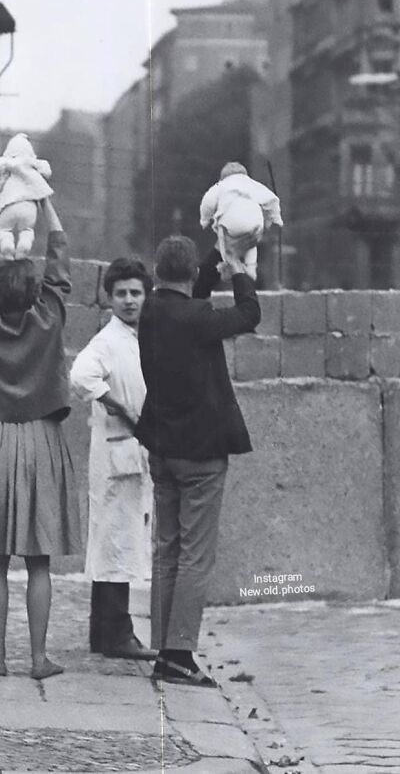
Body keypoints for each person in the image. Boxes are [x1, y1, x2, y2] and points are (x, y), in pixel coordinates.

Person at [0, 184, 81, 681]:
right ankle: (39, 658)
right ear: (36, 290)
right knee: (39, 561)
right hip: (40, 440)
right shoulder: (49, 318)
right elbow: (60, 260)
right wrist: (45, 199)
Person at [135, 233, 260, 686]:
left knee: (166, 551)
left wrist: (222, 247)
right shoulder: (198, 317)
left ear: (155, 273)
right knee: (195, 557)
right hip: (202, 454)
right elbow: (250, 315)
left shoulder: (149, 311)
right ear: (189, 275)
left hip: (162, 450)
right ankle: (181, 653)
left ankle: (165, 650)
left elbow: (195, 290)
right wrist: (242, 270)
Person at [70, 258, 155, 660]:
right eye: (120, 293)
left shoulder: (142, 338)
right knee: (114, 543)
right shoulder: (107, 341)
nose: (129, 300)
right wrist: (119, 406)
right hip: (115, 451)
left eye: (135, 293)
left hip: (134, 453)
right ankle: (117, 633)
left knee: (121, 542)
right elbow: (81, 376)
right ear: (109, 298)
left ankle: (105, 634)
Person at [199, 161, 282, 281]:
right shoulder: (253, 185)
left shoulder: (221, 186)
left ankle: (226, 263)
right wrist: (274, 219)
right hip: (255, 223)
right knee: (251, 245)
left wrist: (205, 219)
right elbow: (271, 199)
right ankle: (251, 268)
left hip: (231, 223)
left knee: (224, 240)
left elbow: (208, 202)